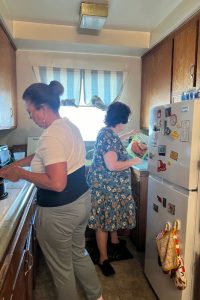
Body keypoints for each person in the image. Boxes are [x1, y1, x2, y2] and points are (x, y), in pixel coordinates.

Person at [0, 81, 103, 300]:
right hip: (81, 203)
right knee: (78, 253)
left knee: (62, 269)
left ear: (43, 109)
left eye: (30, 112)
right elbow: (41, 157)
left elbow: (57, 183)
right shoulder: (68, 126)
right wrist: (15, 165)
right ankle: (97, 297)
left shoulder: (51, 136)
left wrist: (21, 174)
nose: (31, 118)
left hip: (60, 212)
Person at [87, 101, 141, 277]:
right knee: (104, 220)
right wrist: (135, 161)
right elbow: (112, 165)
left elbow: (115, 141)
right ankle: (104, 259)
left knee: (112, 213)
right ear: (122, 119)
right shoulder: (108, 136)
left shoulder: (108, 132)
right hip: (106, 187)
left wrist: (130, 134)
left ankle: (115, 240)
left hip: (110, 186)